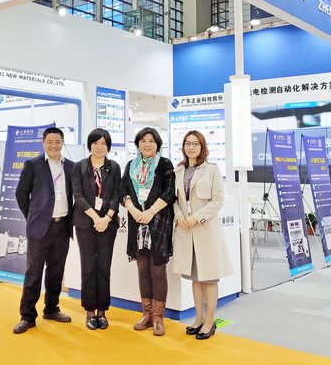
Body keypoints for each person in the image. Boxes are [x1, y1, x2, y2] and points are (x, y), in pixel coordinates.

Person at [171, 130, 233, 340]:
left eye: (195, 143)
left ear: (202, 146)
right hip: (186, 230)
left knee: (209, 278)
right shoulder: (178, 170)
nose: (191, 147)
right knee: (195, 278)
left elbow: (218, 200)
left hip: (205, 231)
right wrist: (179, 216)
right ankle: (199, 318)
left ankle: (209, 321)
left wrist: (196, 218)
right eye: (187, 143)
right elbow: (174, 201)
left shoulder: (212, 169)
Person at [13, 127, 74, 334]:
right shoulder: (33, 164)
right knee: (34, 272)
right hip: (39, 227)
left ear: (62, 143)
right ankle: (27, 316)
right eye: (49, 142)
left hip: (62, 226)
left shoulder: (71, 166)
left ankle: (52, 309)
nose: (53, 145)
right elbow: (21, 194)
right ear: (43, 143)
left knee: (56, 272)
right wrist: (33, 216)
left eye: (57, 142)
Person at [121, 127, 175, 336]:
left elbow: (169, 193)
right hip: (137, 223)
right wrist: (133, 210)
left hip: (158, 223)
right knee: (142, 271)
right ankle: (147, 314)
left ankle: (159, 317)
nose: (147, 144)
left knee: (158, 271)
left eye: (151, 141)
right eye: (143, 140)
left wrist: (150, 212)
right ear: (138, 144)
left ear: (157, 144)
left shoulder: (164, 164)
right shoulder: (131, 165)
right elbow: (123, 190)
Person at [71, 128, 121, 330]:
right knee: (88, 267)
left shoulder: (114, 167)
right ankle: (90, 311)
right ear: (89, 145)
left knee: (104, 267)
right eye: (95, 143)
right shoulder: (80, 166)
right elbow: (78, 196)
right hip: (85, 224)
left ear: (108, 146)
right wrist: (96, 218)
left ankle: (102, 311)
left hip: (108, 224)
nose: (100, 147)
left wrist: (107, 218)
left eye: (103, 143)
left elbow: (116, 194)